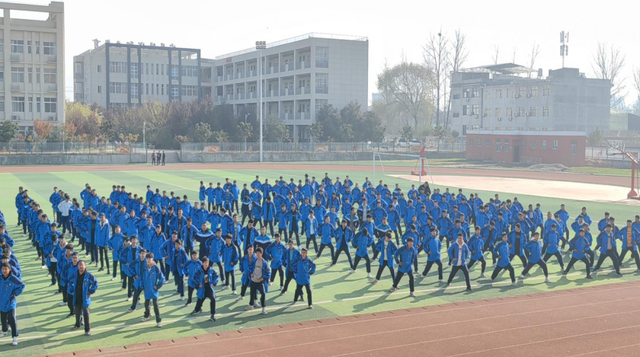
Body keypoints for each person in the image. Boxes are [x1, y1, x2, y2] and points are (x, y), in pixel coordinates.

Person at [68, 260, 98, 336]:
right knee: (77, 312)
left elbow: (95, 283)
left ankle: (87, 330)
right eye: (80, 265)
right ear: (78, 267)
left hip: (85, 298)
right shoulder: (75, 274)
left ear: (85, 266)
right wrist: (71, 290)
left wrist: (90, 291)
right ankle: (77, 324)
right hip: (77, 297)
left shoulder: (89, 276)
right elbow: (70, 283)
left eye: (82, 265)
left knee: (86, 314)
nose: (81, 267)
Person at [1, 262, 25, 346]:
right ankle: (4, 330)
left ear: (9, 269)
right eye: (3, 269)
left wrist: (15, 293)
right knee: (3, 321)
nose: (4, 270)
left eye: (6, 269)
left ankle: (15, 337)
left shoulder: (13, 278)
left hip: (11, 303)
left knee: (12, 319)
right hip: (1, 303)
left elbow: (22, 285)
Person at [141, 252, 165, 328]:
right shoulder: (144, 267)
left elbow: (162, 278)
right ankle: (146, 315)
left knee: (156, 306)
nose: (148, 260)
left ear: (152, 259)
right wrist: (143, 287)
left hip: (154, 290)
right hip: (147, 289)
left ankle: (159, 321)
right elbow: (141, 279)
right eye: (147, 259)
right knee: (146, 304)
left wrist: (157, 286)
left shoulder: (156, 268)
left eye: (149, 259)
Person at [192, 256, 219, 322]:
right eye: (205, 262)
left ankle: (212, 315)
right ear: (202, 263)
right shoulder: (199, 270)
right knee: (200, 300)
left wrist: (213, 283)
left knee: (213, 299)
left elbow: (216, 276)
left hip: (209, 288)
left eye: (207, 262)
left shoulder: (211, 270)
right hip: (202, 289)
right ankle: (197, 309)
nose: (206, 264)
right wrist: (198, 284)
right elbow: (194, 278)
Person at [246, 247, 271, 315]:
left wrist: (263, 278)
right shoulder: (254, 261)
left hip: (260, 282)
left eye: (259, 253)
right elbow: (250, 267)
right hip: (253, 281)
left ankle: (263, 308)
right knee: (252, 295)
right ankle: (251, 306)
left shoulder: (265, 263)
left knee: (263, 294)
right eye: (257, 253)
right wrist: (250, 273)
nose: (258, 254)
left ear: (261, 254)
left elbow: (268, 273)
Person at [127, 248, 148, 313]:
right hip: (138, 281)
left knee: (147, 298)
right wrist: (134, 274)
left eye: (144, 254)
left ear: (146, 254)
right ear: (139, 254)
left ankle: (148, 311)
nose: (142, 255)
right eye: (141, 254)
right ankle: (133, 308)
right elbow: (129, 267)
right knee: (135, 296)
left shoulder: (148, 262)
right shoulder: (136, 261)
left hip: (146, 282)